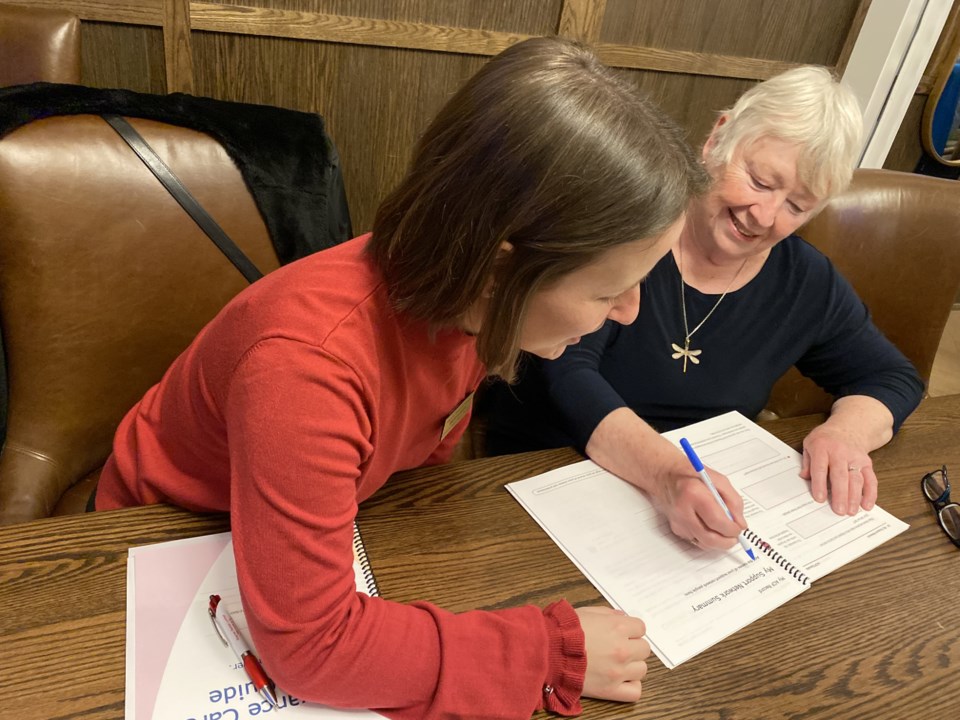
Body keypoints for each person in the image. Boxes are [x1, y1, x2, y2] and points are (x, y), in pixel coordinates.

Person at [94, 37, 709, 719]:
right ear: (500, 271)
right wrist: (545, 650)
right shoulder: (306, 368)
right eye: (608, 292)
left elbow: (420, 444)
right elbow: (310, 648)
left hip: (332, 520)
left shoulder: (463, 303)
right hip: (162, 538)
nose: (630, 311)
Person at [485, 65, 925, 552]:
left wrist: (845, 434)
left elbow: (891, 377)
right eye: (759, 181)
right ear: (717, 140)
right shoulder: (632, 224)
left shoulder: (803, 279)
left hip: (693, 506)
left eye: (797, 207)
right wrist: (666, 473)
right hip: (546, 477)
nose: (764, 216)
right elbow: (562, 371)